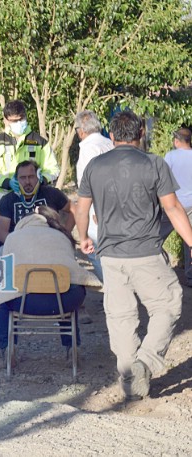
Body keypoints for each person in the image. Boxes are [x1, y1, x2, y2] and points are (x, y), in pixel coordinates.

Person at [76, 110, 192, 401]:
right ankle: (146, 362)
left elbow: (81, 207)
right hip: (147, 253)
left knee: (120, 317)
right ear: (141, 133)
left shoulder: (94, 166)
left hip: (111, 256)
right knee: (168, 303)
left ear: (111, 136)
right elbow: (173, 208)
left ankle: (129, 376)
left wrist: (83, 237)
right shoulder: (154, 163)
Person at [0, 207, 100, 362]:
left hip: (24, 302)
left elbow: (6, 276)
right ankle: (72, 346)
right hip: (62, 302)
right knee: (71, 284)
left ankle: (6, 348)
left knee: (3, 297)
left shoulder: (12, 237)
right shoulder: (63, 237)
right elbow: (73, 271)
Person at [74, 110, 114, 282]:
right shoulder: (109, 143)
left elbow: (93, 182)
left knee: (95, 251)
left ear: (81, 131)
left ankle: (112, 289)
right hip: (114, 204)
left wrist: (98, 208)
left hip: (97, 207)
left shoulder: (88, 148)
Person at [0, 99, 60, 189]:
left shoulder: (39, 142)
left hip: (34, 195)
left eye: (21, 119)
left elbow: (53, 169)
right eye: (14, 121)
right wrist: (7, 183)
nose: (18, 123)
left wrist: (42, 179)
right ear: (5, 120)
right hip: (5, 197)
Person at [0, 161, 74, 244]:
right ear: (16, 179)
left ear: (38, 177)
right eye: (23, 177)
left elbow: (74, 210)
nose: (27, 181)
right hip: (20, 245)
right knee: (0, 253)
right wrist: (20, 245)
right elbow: (1, 233)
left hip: (50, 244)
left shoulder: (52, 193)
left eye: (31, 177)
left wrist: (65, 235)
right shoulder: (8, 200)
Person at [159, 127, 192, 287]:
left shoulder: (171, 156)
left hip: (173, 205)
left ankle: (159, 270)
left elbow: (162, 179)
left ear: (176, 141)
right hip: (191, 205)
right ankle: (191, 276)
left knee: (156, 238)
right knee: (190, 241)